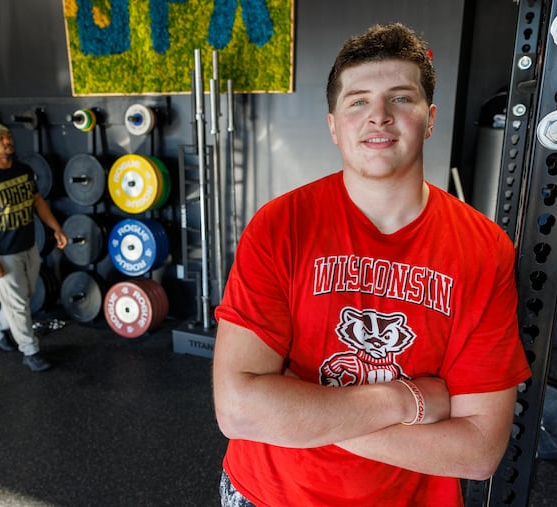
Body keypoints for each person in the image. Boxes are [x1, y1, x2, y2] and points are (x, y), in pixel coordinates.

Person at [212, 23, 531, 506]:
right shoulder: (279, 226)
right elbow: (238, 411)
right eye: (357, 100)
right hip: (267, 494)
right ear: (334, 126)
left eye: (401, 98)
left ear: (429, 118)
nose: (378, 116)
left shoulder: (484, 249)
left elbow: (479, 451)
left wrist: (300, 412)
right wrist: (409, 400)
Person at [0, 122, 68, 372]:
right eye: (1, 138)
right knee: (19, 305)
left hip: (29, 246)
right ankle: (30, 351)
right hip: (2, 252)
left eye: (8, 136)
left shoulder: (22, 169)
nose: (8, 141)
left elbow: (37, 202)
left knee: (24, 299)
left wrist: (56, 228)